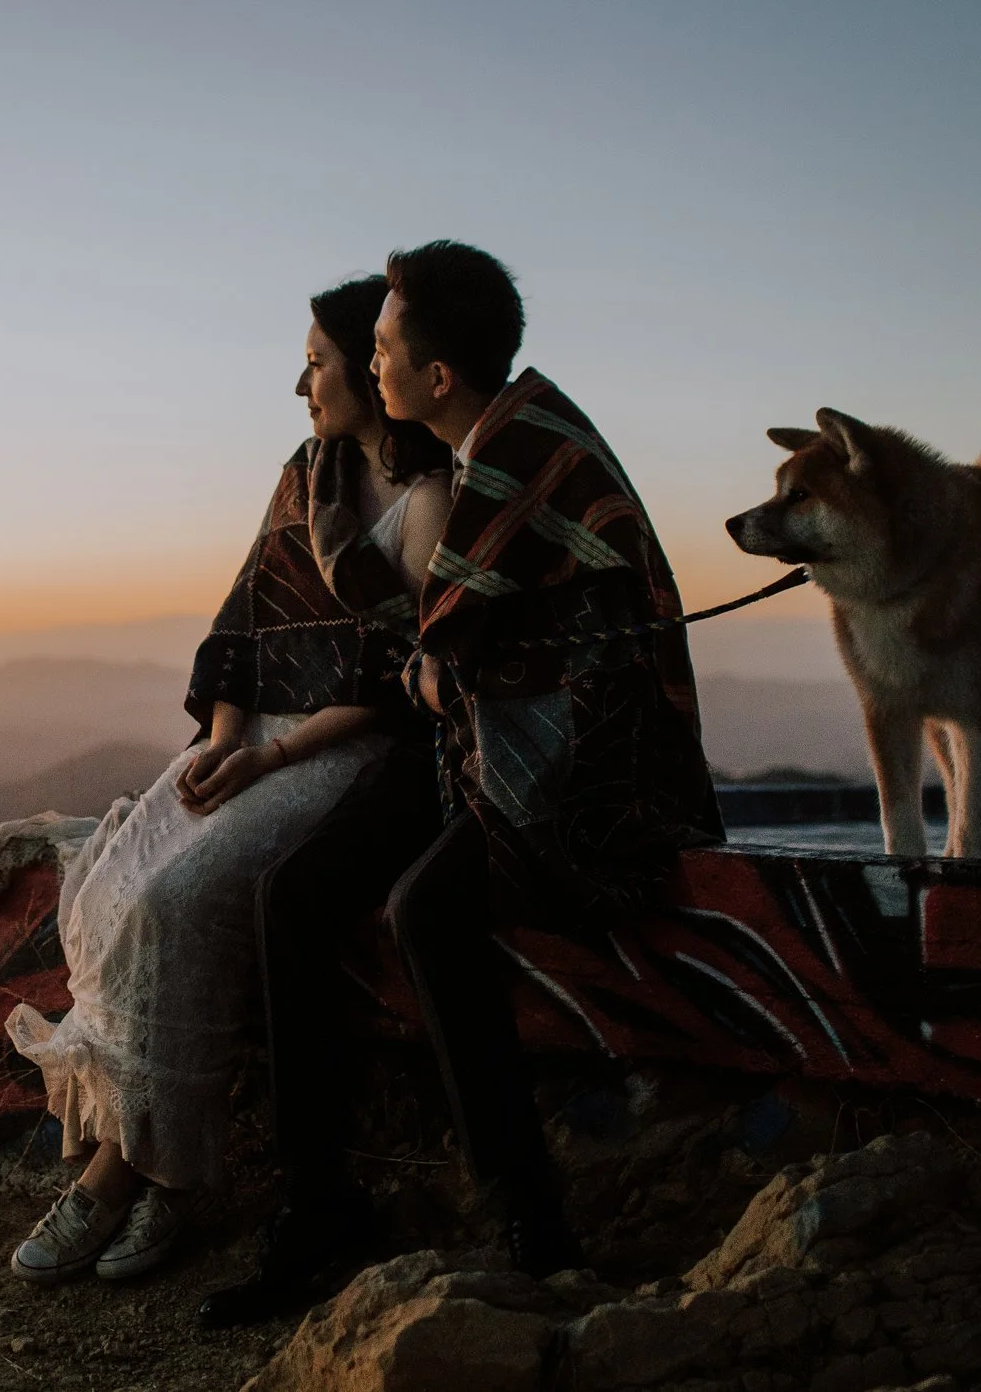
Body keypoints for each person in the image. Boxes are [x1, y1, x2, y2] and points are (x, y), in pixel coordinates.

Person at [199, 240, 724, 1327]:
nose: (371, 363)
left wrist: (443, 674)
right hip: (480, 759)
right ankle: (320, 1203)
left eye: (382, 347)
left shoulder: (518, 445)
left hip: (591, 779)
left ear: (437, 376)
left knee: (426, 909)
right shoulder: (488, 438)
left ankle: (530, 1222)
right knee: (292, 897)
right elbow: (442, 651)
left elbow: (481, 650)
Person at [1, 277, 454, 1286]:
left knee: (186, 896)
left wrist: (274, 755)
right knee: (118, 883)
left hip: (344, 750)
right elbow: (243, 621)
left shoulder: (428, 504)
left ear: (370, 372)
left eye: (321, 362)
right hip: (254, 734)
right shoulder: (308, 474)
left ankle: (146, 1178)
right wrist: (221, 737)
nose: (303, 383)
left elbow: (397, 683)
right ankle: (119, 1150)